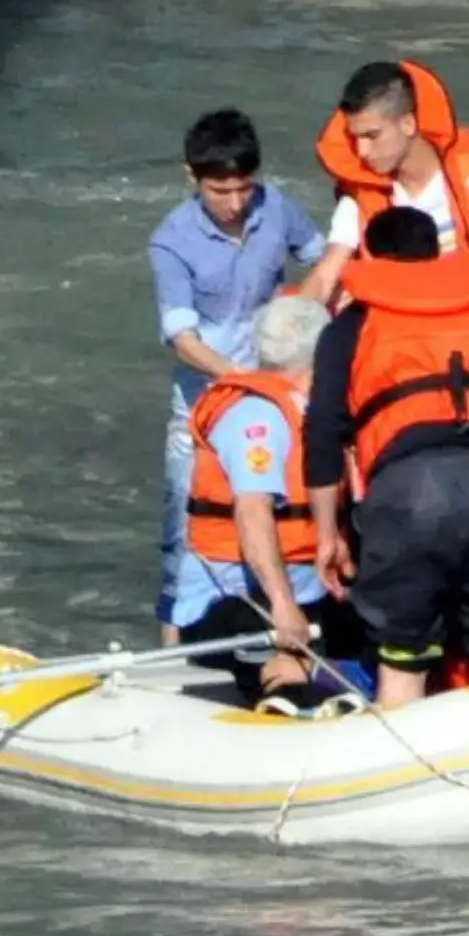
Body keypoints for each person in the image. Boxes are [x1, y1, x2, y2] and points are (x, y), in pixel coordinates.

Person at [304, 206, 469, 710]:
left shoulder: (352, 324)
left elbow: (324, 435)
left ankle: (405, 768)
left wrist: (328, 537)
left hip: (408, 493)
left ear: (371, 258)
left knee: (403, 657)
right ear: (438, 254)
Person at [148, 108, 326, 644]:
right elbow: (182, 338)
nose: (234, 203)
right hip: (207, 400)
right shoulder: (171, 242)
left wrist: (302, 321)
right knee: (185, 530)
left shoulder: (277, 209)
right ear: (192, 178)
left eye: (244, 189)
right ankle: (174, 655)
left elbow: (326, 259)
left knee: (296, 512)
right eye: (220, 191)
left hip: (284, 389)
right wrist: (242, 381)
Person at [299, 59, 469, 404]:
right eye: (355, 138)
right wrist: (290, 350)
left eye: (372, 136)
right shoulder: (362, 198)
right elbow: (323, 279)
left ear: (408, 123)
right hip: (408, 366)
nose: (362, 151)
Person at [175, 295, 371, 711]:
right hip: (233, 601)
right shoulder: (257, 417)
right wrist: (283, 607)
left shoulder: (316, 414)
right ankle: (281, 697)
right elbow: (252, 511)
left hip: (312, 591)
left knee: (384, 626)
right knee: (271, 642)